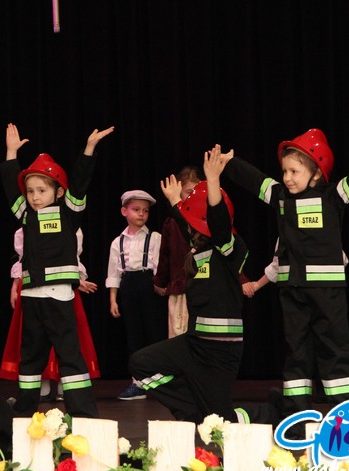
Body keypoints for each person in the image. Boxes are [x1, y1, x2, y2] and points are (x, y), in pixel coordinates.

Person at [219, 127, 349, 416]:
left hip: (327, 291)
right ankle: (297, 413)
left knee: (334, 348)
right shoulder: (281, 196)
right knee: (295, 349)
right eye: (285, 171)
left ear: (315, 174)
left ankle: (342, 411)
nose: (287, 177)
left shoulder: (333, 196)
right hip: (292, 290)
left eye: (294, 171)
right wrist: (230, 163)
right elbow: (256, 181)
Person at [0, 122, 113, 418]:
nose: (35, 196)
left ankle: (83, 414)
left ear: (59, 192)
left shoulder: (68, 213)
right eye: (30, 191)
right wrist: (11, 154)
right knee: (30, 358)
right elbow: (11, 189)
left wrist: (88, 149)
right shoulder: (27, 216)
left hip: (59, 296)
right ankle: (24, 410)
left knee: (69, 356)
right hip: (32, 298)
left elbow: (81, 182)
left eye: (42, 190)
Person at [128, 145, 248, 423]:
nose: (190, 228)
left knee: (221, 421)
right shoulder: (200, 249)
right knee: (140, 364)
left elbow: (216, 222)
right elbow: (188, 225)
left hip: (221, 351)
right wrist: (174, 200)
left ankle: (259, 415)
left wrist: (213, 180)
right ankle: (194, 412)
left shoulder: (229, 248)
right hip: (194, 344)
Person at [0, 227, 101, 401]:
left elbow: (70, 258)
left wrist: (77, 280)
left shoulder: (70, 226)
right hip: (33, 288)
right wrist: (14, 286)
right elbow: (24, 260)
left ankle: (65, 387)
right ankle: (42, 386)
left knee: (65, 339)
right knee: (36, 339)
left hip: (63, 286)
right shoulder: (25, 227)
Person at [106, 190, 166, 400]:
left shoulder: (155, 237)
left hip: (149, 284)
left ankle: (158, 381)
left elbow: (160, 265)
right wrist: (113, 299)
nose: (141, 214)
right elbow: (114, 272)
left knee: (154, 332)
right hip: (128, 286)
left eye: (145, 211)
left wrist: (160, 285)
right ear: (124, 211)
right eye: (136, 209)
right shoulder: (118, 242)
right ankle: (138, 382)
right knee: (134, 335)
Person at [154, 166, 203, 338]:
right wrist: (160, 281)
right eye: (188, 191)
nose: (192, 196)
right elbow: (165, 255)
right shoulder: (172, 223)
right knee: (178, 335)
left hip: (203, 288)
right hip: (180, 289)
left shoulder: (207, 220)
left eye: (196, 191)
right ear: (179, 192)